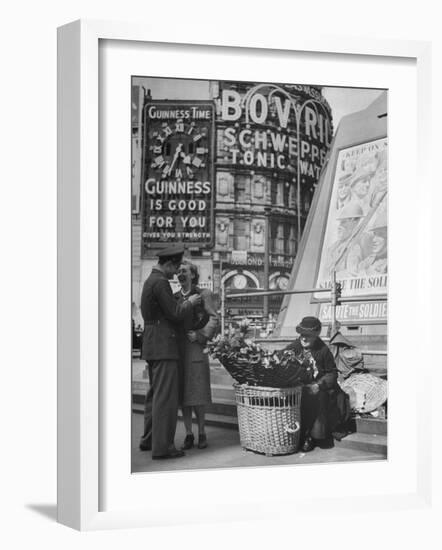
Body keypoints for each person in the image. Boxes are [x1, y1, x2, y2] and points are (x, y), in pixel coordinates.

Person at [138, 244, 202, 460]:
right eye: (175, 268)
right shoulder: (161, 282)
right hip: (165, 346)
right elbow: (175, 313)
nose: (176, 273)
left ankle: (149, 440)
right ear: (167, 264)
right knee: (166, 399)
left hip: (152, 344)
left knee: (154, 396)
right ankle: (163, 447)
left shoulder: (150, 280)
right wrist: (189, 302)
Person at [283, 316, 346, 452]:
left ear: (316, 336)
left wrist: (319, 385)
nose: (304, 339)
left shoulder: (323, 350)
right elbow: (282, 356)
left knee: (317, 398)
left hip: (320, 386)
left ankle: (311, 436)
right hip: (300, 386)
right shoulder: (295, 346)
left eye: (308, 336)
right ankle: (292, 433)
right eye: (302, 335)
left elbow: (332, 373)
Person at [175, 261, 219, 450]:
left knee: (198, 394)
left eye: (184, 271)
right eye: (178, 271)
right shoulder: (174, 297)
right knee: (183, 395)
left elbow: (214, 318)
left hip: (196, 349)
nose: (180, 274)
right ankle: (188, 434)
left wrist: (201, 335)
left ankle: (201, 432)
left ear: (193, 275)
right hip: (178, 351)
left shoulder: (203, 294)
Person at [325, 202, 364, 277]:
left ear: (354, 223)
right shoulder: (333, 247)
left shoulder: (353, 248)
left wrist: (331, 277)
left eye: (344, 223)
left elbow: (351, 274)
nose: (339, 227)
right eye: (340, 223)